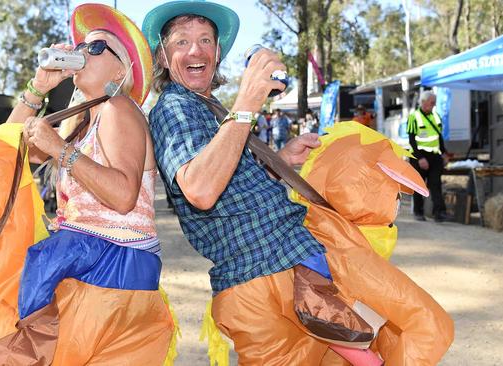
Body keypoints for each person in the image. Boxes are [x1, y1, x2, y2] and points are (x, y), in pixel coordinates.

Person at [143, 1, 452, 364]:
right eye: (181, 42)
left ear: (217, 51)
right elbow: (200, 189)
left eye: (206, 40)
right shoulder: (175, 107)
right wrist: (246, 103)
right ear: (162, 57)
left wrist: (280, 161)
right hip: (266, 275)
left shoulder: (207, 106)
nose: (196, 50)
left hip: (282, 270)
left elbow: (231, 183)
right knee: (417, 329)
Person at [0, 4, 174, 365]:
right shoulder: (80, 120)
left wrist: (60, 150)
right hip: (87, 258)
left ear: (121, 69)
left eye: (94, 48)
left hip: (114, 261)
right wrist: (37, 88)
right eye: (80, 47)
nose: (80, 53)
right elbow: (6, 150)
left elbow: (124, 196)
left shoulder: (117, 108)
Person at [407, 90, 449, 222]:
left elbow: (439, 137)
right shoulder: (413, 117)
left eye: (434, 103)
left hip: (435, 156)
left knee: (436, 184)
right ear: (424, 102)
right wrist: (420, 158)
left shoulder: (436, 116)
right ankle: (418, 212)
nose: (434, 105)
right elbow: (412, 140)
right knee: (419, 185)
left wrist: (444, 153)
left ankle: (439, 213)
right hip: (419, 156)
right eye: (432, 103)